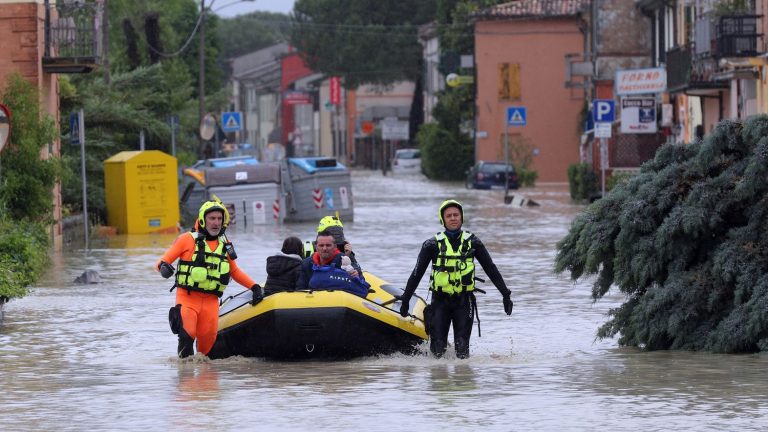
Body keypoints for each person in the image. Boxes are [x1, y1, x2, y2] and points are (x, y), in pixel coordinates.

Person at [399, 199, 514, 359]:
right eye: (449, 216)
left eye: (456, 215)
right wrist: (405, 300)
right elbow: (416, 274)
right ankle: (439, 380)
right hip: (440, 302)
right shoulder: (431, 245)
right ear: (443, 219)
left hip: (463, 302)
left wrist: (505, 294)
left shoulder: (473, 242)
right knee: (437, 349)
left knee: (462, 349)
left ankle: (463, 380)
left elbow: (491, 269)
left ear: (461, 217)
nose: (453, 218)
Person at [156, 200, 263, 358]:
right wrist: (164, 269)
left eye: (219, 219)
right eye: (212, 218)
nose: (216, 223)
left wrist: (254, 287)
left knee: (206, 345)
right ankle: (185, 378)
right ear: (202, 220)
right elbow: (162, 263)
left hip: (211, 302)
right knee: (187, 334)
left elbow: (234, 271)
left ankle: (204, 381)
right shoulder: (186, 239)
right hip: (187, 298)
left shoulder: (225, 244)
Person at [296, 230, 368, 297]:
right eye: (321, 245)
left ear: (335, 247)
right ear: (316, 247)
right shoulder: (306, 263)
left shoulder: (345, 260)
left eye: (328, 245)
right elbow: (300, 289)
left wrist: (357, 277)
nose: (324, 248)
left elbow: (362, 285)